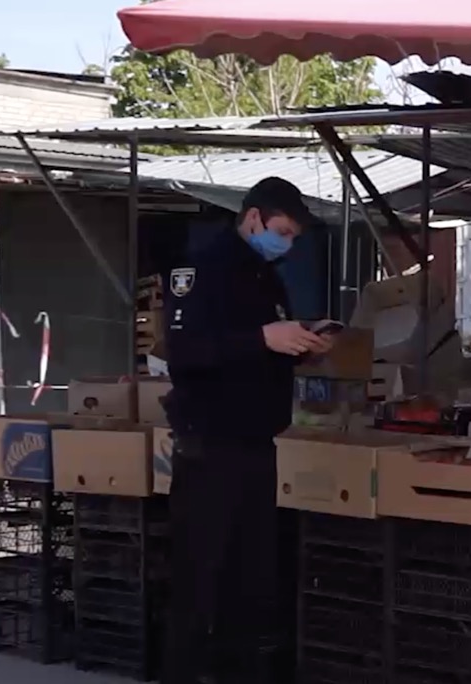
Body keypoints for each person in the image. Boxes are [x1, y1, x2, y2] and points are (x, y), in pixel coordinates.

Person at [161, 177, 334, 684]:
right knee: (200, 581)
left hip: (257, 444)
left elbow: (262, 353)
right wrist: (262, 338)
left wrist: (301, 345)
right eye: (283, 231)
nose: (287, 243)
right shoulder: (201, 270)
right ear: (254, 217)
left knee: (250, 581)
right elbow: (186, 352)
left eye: (293, 237)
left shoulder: (266, 278)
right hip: (210, 446)